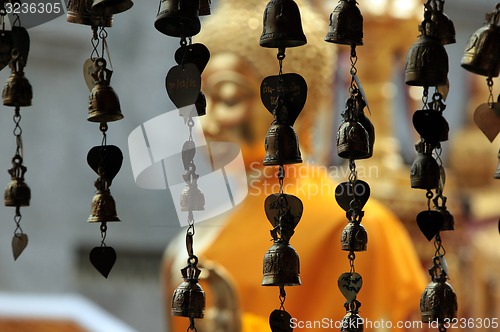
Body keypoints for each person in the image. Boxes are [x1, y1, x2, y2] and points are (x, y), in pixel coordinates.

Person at [163, 1, 427, 331]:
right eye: (202, 102)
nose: (207, 123)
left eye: (229, 98)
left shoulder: (351, 224)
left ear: (288, 105)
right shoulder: (210, 222)